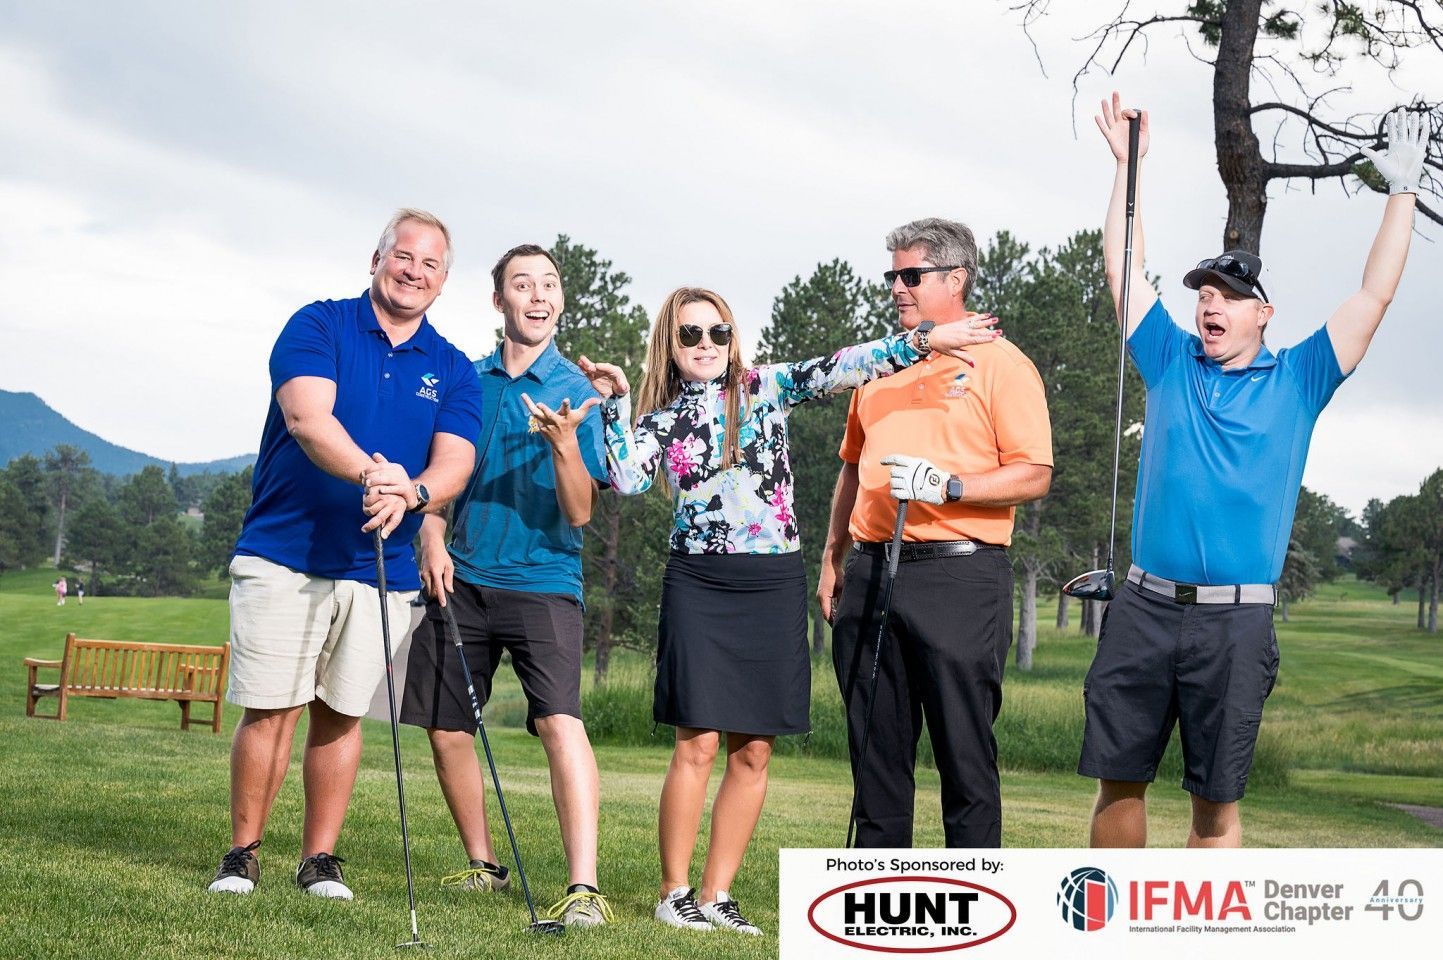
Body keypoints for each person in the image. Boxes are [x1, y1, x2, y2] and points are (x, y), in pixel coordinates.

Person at [591, 286, 998, 933]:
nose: (705, 346)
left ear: (732, 340)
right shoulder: (661, 416)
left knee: (753, 749)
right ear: (669, 344)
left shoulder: (766, 387)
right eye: (690, 334)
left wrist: (924, 340)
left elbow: (845, 365)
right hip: (700, 581)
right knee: (695, 743)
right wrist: (615, 403)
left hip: (772, 583)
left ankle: (717, 893)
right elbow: (627, 479)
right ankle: (675, 893)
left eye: (717, 333)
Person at [1079, 95, 1429, 848]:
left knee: (1214, 807)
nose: (1210, 303)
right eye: (1204, 292)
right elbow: (1121, 266)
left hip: (1234, 623)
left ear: (1261, 314)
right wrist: (1125, 171)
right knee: (1118, 783)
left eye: (1229, 296)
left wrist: (1401, 192)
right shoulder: (1169, 359)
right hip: (1141, 611)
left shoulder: (1300, 379)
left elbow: (1374, 296)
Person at [207, 209, 482, 899]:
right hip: (286, 553)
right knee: (271, 708)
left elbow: (457, 461)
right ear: (376, 258)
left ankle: (318, 860)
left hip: (376, 571)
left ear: (443, 281)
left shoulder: (452, 368)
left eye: (429, 264)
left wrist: (414, 491)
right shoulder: (319, 324)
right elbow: (306, 419)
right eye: (403, 257)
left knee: (340, 712)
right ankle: (242, 854)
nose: (413, 272)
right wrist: (376, 475)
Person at [819, 218, 1054, 849]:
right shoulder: (879, 366)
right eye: (892, 275)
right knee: (875, 759)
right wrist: (832, 556)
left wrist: (950, 485)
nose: (897, 286)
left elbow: (1033, 473)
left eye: (911, 275)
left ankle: (978, 922)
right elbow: (851, 466)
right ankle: (876, 924)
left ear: (956, 279)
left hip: (960, 574)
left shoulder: (1000, 363)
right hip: (871, 570)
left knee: (964, 757)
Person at [399, 244, 614, 928]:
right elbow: (439, 473)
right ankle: (483, 863)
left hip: (545, 581)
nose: (538, 295)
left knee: (559, 720)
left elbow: (581, 511)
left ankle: (583, 888)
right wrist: (430, 532)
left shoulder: (579, 392)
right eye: (522, 284)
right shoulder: (467, 380)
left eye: (548, 284)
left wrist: (562, 445)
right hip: (461, 576)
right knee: (444, 725)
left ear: (558, 301)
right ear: (500, 301)